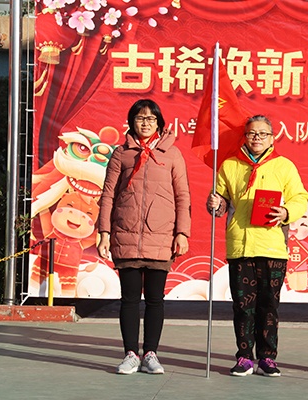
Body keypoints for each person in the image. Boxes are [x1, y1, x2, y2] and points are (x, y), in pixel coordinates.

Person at [206, 115, 308, 377]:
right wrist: (215, 204)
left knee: (269, 306)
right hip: (240, 247)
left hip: (272, 246)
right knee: (242, 306)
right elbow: (221, 201)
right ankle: (244, 357)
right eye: (252, 133)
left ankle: (267, 358)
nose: (257, 138)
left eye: (263, 134)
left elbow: (300, 198)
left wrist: (286, 212)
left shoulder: (284, 166)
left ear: (272, 138)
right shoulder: (229, 165)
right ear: (245, 136)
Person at [97, 99, 191, 375]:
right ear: (132, 122)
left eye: (151, 118)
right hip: (125, 236)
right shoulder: (121, 154)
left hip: (160, 237)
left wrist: (182, 232)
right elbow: (108, 195)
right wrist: (104, 233)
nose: (146, 123)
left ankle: (150, 354)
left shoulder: (172, 154)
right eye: (140, 118)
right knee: (128, 299)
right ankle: (130, 354)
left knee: (154, 299)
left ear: (159, 123)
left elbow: (182, 196)